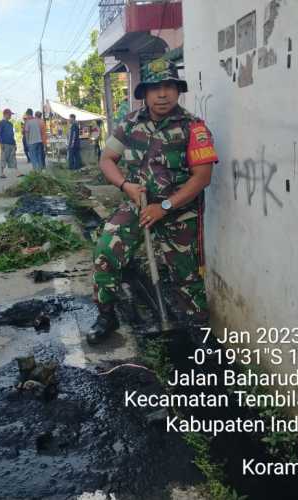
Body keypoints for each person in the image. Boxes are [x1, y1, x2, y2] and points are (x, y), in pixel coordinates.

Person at [87, 59, 219, 344]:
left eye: (169, 86)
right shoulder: (129, 124)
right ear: (144, 93)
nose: (162, 94)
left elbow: (202, 177)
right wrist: (125, 185)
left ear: (177, 90)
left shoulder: (193, 128)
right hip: (138, 205)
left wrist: (165, 207)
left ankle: (199, 333)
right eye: (155, 87)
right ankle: (106, 315)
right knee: (105, 251)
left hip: (178, 212)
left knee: (187, 278)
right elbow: (107, 159)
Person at [0, 108, 22, 178]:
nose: (11, 116)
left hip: (12, 143)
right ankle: (1, 173)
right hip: (5, 143)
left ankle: (17, 172)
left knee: (13, 158)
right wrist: (1, 143)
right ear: (5, 114)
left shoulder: (10, 124)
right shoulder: (1, 123)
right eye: (10, 114)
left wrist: (15, 144)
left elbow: (12, 134)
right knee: (3, 158)